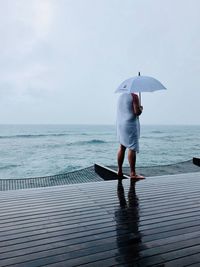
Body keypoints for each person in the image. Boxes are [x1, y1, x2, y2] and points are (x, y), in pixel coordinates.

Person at [116, 93, 144, 179]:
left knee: (122, 146)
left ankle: (119, 170)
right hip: (130, 125)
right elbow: (136, 112)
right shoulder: (134, 96)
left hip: (121, 124)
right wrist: (141, 109)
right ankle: (133, 173)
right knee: (132, 148)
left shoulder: (120, 97)